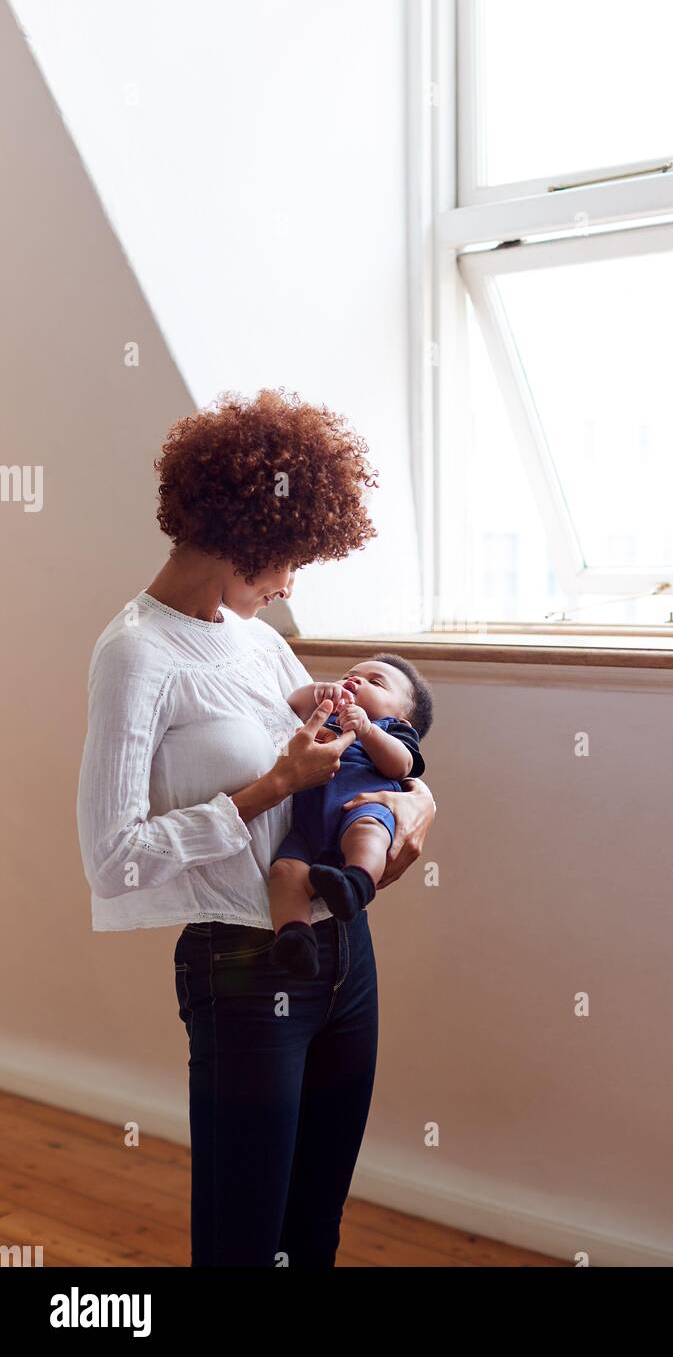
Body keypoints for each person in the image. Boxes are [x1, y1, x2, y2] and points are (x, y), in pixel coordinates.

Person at [76, 389, 436, 1267]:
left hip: (343, 952)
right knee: (244, 1241)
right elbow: (111, 857)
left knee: (313, 1230)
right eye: (289, 560)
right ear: (245, 537)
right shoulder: (135, 654)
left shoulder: (257, 638)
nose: (288, 585)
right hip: (240, 965)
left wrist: (418, 802)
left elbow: (348, 758)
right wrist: (269, 785)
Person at [268, 654, 434, 976]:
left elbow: (400, 766)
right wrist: (318, 693)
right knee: (285, 870)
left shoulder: (392, 729)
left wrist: (368, 731)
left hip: (361, 807)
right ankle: (295, 936)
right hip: (308, 824)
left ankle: (356, 883)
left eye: (375, 682)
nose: (355, 680)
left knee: (369, 833)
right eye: (350, 675)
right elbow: (292, 704)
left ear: (403, 716)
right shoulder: (324, 719)